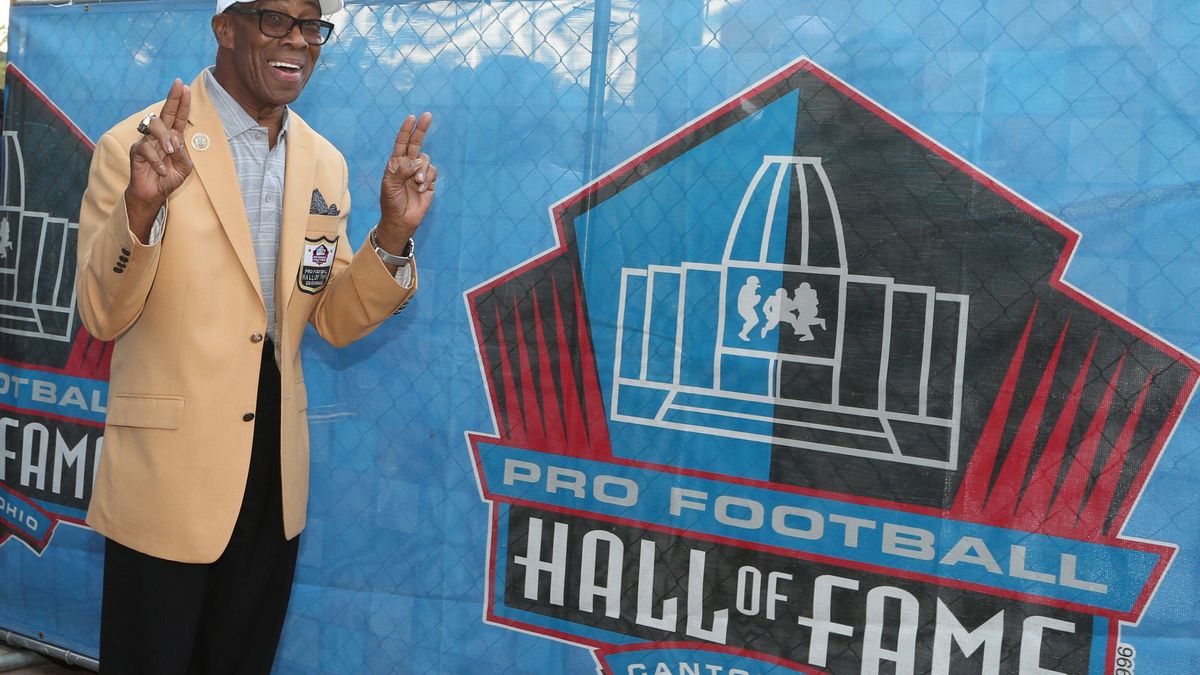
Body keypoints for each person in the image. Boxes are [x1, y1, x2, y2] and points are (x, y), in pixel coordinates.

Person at [74, 0, 436, 671]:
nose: (297, 40)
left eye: (311, 26)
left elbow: (330, 315)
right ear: (225, 28)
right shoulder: (138, 145)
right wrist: (142, 205)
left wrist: (392, 234)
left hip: (273, 477)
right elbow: (102, 311)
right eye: (275, 20)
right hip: (168, 481)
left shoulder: (325, 163)